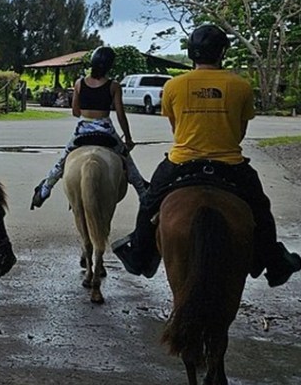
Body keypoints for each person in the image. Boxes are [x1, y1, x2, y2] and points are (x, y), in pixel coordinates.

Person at [112, 24, 301, 285]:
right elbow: (240, 131)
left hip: (181, 163)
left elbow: (176, 127)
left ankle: (139, 253)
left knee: (149, 202)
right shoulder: (240, 86)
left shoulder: (174, 86)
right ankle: (273, 260)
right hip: (230, 165)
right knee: (261, 207)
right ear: (221, 52)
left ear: (191, 52)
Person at [30, 46, 149, 210]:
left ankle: (44, 190)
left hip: (82, 129)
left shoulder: (79, 83)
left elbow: (75, 112)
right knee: (128, 163)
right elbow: (121, 115)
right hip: (106, 129)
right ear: (109, 66)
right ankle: (143, 194)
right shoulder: (114, 86)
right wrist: (128, 138)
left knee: (62, 161)